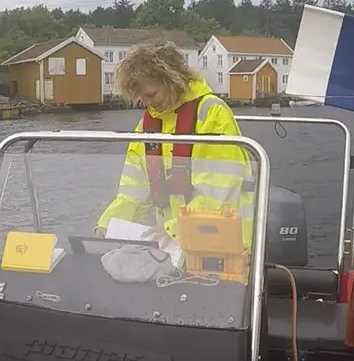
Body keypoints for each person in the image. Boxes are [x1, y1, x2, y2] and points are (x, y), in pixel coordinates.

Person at [95, 39, 254, 249]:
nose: (148, 103)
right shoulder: (147, 126)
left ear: (173, 81)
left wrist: (173, 229)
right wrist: (107, 224)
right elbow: (133, 191)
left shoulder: (213, 114)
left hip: (227, 243)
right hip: (175, 242)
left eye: (151, 94)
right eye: (142, 97)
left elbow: (218, 194)